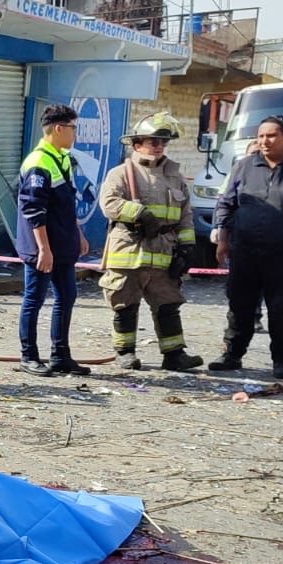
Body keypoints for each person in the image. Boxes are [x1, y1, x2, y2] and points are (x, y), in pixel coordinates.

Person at [208, 115, 283, 379]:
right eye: (261, 136)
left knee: (280, 309)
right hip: (244, 251)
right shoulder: (244, 166)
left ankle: (281, 361)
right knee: (239, 307)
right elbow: (226, 204)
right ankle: (232, 355)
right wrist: (223, 238)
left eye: (272, 135)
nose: (265, 141)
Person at [96, 112, 204, 371]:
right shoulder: (121, 173)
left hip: (163, 252)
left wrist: (187, 247)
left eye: (163, 142)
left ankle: (174, 355)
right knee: (125, 304)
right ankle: (125, 353)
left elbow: (185, 214)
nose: (158, 147)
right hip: (128, 251)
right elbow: (109, 204)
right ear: (136, 144)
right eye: (153, 141)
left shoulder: (175, 176)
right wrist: (139, 214)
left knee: (168, 304)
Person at [15, 103, 92, 376]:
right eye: (73, 128)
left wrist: (78, 234)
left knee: (66, 297)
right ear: (59, 129)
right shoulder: (38, 162)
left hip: (63, 245)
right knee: (33, 299)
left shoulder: (62, 159)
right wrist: (43, 249)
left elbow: (66, 204)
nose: (75, 134)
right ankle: (29, 356)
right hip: (42, 248)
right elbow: (34, 211)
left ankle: (60, 355)